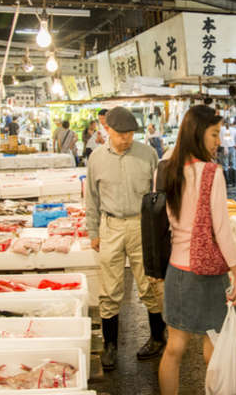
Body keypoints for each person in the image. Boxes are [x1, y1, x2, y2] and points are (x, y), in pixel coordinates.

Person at [157, 106, 236, 395]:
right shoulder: (211, 173)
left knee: (174, 349)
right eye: (214, 134)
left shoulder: (166, 167)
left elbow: (165, 219)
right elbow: (221, 228)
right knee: (215, 348)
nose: (219, 140)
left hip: (177, 270)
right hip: (207, 272)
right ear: (198, 133)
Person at [85, 107, 163, 370]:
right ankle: (109, 346)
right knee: (109, 288)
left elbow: (159, 193)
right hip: (111, 225)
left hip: (142, 225)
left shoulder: (147, 153)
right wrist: (93, 231)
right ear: (108, 130)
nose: (127, 139)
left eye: (131, 134)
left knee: (149, 282)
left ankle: (157, 338)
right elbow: (91, 199)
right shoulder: (96, 158)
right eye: (122, 134)